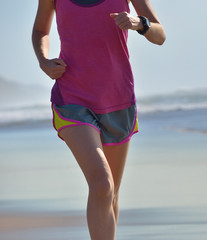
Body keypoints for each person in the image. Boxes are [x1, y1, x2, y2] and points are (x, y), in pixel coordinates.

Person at [32, 0, 166, 239]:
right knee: (102, 184)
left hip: (118, 99)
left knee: (110, 193)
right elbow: (41, 30)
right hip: (72, 97)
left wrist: (139, 23)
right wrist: (44, 61)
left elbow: (160, 35)